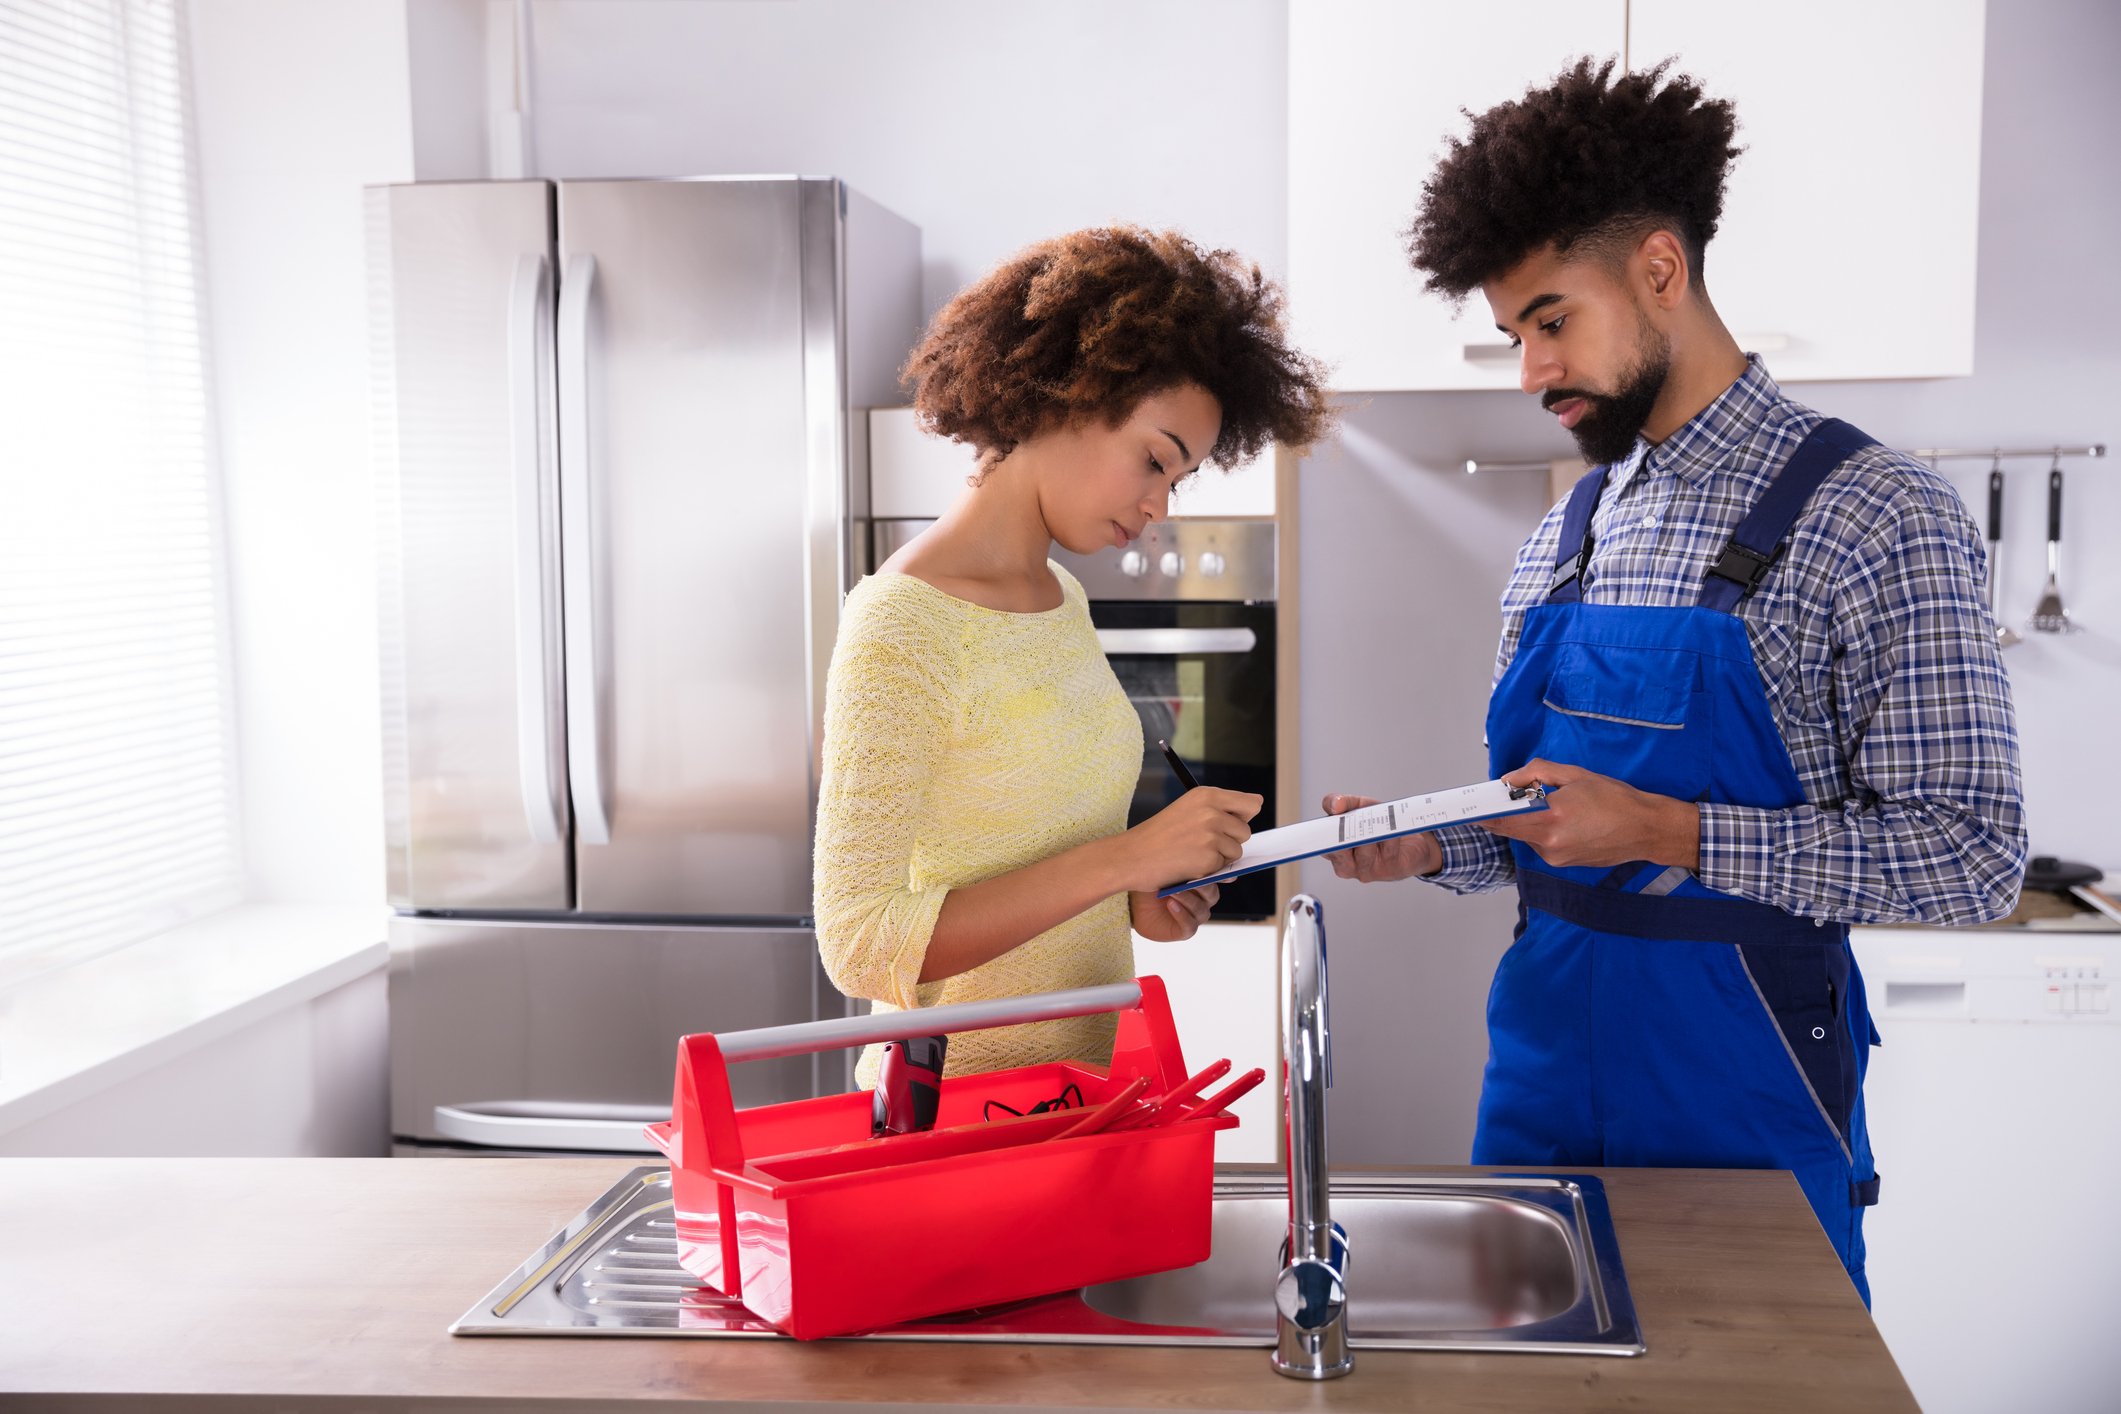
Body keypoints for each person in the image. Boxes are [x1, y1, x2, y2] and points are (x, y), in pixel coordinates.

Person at [1322, 60, 2025, 1305]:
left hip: (1740, 1099)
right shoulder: (1570, 530)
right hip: (1537, 1091)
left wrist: (1660, 829)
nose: (1533, 372)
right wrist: (1433, 845)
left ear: (1661, 268)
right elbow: (1536, 819)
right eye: (1513, 338)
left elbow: (1969, 855)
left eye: (1551, 320)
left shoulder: (1876, 513)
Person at [817, 226, 1332, 1088]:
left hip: (1078, 1098)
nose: (1158, 504)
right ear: (1068, 393)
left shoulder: (1062, 598)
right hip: (957, 1117)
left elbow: (1035, 851)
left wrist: (1141, 897)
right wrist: (1127, 859)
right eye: (1154, 461)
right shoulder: (902, 625)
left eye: (1179, 482)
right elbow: (861, 943)